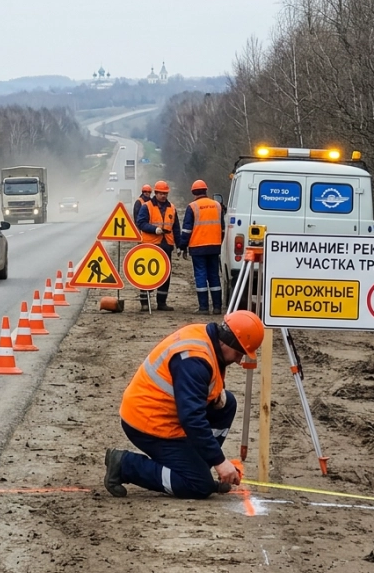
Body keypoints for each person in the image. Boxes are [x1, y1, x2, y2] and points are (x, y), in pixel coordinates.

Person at [104, 311, 265, 499]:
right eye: (239, 353)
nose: (239, 361)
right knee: (198, 486)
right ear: (227, 341)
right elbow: (191, 418)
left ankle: (196, 464)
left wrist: (213, 397)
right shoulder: (195, 360)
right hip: (148, 423)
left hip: (166, 412)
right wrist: (220, 462)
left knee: (226, 404)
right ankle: (125, 465)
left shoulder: (206, 337)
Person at [178, 180, 224, 314]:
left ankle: (203, 307)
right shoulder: (217, 205)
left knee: (200, 275)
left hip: (198, 247)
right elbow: (222, 228)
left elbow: (186, 230)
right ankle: (217, 307)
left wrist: (182, 246)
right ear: (206, 191)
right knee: (214, 276)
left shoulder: (192, 207)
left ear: (193, 192)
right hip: (214, 246)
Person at [134, 180, 180, 311]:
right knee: (148, 273)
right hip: (150, 246)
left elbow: (176, 228)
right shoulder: (147, 206)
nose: (163, 196)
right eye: (161, 193)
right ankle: (144, 302)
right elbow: (141, 223)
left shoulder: (172, 207)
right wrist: (154, 229)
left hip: (166, 245)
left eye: (165, 193)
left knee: (165, 274)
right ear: (156, 193)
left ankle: (162, 303)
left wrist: (180, 245)